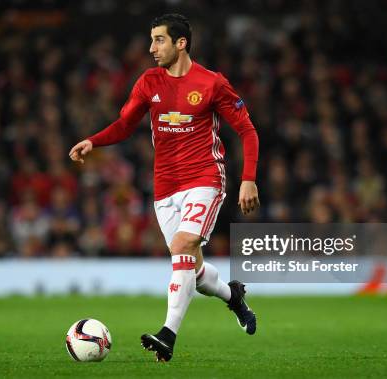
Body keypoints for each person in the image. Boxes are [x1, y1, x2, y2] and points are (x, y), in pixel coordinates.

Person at [69, 13, 260, 362]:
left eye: (159, 40)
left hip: (205, 178)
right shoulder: (148, 82)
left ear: (180, 43)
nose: (151, 47)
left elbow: (247, 130)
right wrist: (93, 142)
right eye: (152, 40)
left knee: (183, 244)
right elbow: (125, 125)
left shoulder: (212, 83)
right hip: (165, 188)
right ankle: (233, 296)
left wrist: (248, 178)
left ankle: (168, 334)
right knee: (192, 268)